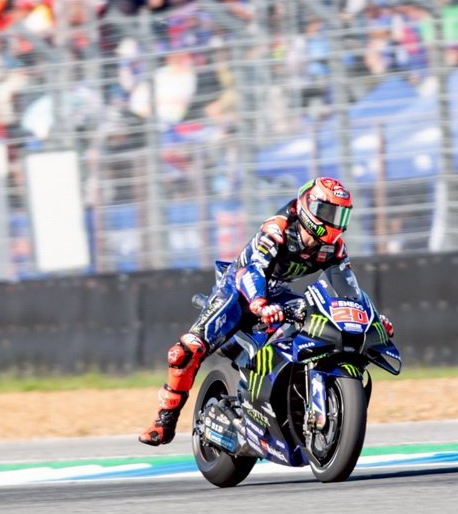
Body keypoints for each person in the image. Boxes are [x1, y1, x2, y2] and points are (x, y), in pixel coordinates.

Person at [139, 176, 395, 446]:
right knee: (187, 350)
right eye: (329, 212)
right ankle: (164, 420)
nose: (334, 221)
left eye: (340, 215)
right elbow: (254, 269)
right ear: (309, 206)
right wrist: (259, 303)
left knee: (314, 324)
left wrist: (370, 319)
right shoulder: (278, 229)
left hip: (277, 293)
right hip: (239, 289)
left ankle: (286, 403)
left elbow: (347, 290)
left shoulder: (334, 248)